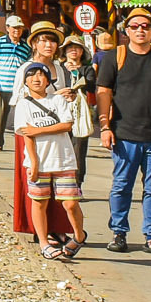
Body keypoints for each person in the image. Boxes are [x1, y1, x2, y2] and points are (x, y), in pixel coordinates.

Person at [95, 7, 151, 257]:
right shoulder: (115, 57)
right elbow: (104, 92)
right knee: (122, 185)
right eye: (134, 26)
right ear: (127, 30)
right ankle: (119, 233)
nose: (140, 30)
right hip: (124, 135)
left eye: (145, 26)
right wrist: (105, 127)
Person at [14, 61, 83, 259]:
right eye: (32, 75)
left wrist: (39, 130)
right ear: (25, 81)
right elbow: (27, 134)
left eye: (41, 75)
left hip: (63, 159)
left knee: (70, 202)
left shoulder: (58, 100)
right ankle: (44, 243)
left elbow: (67, 125)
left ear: (48, 80)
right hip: (39, 160)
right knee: (39, 202)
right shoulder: (23, 104)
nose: (36, 79)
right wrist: (33, 163)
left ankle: (79, 236)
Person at [0, 14, 31, 146]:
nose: (17, 30)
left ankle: (23, 145)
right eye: (14, 28)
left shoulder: (25, 47)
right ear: (7, 28)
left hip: (19, 87)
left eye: (19, 28)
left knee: (22, 117)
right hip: (2, 86)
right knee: (1, 115)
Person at [57, 37, 96, 189]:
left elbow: (92, 86)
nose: (73, 51)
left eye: (77, 48)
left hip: (80, 113)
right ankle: (60, 182)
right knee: (60, 147)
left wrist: (75, 72)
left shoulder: (87, 69)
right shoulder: (58, 67)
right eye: (70, 48)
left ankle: (77, 184)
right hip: (60, 112)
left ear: (82, 51)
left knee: (79, 149)